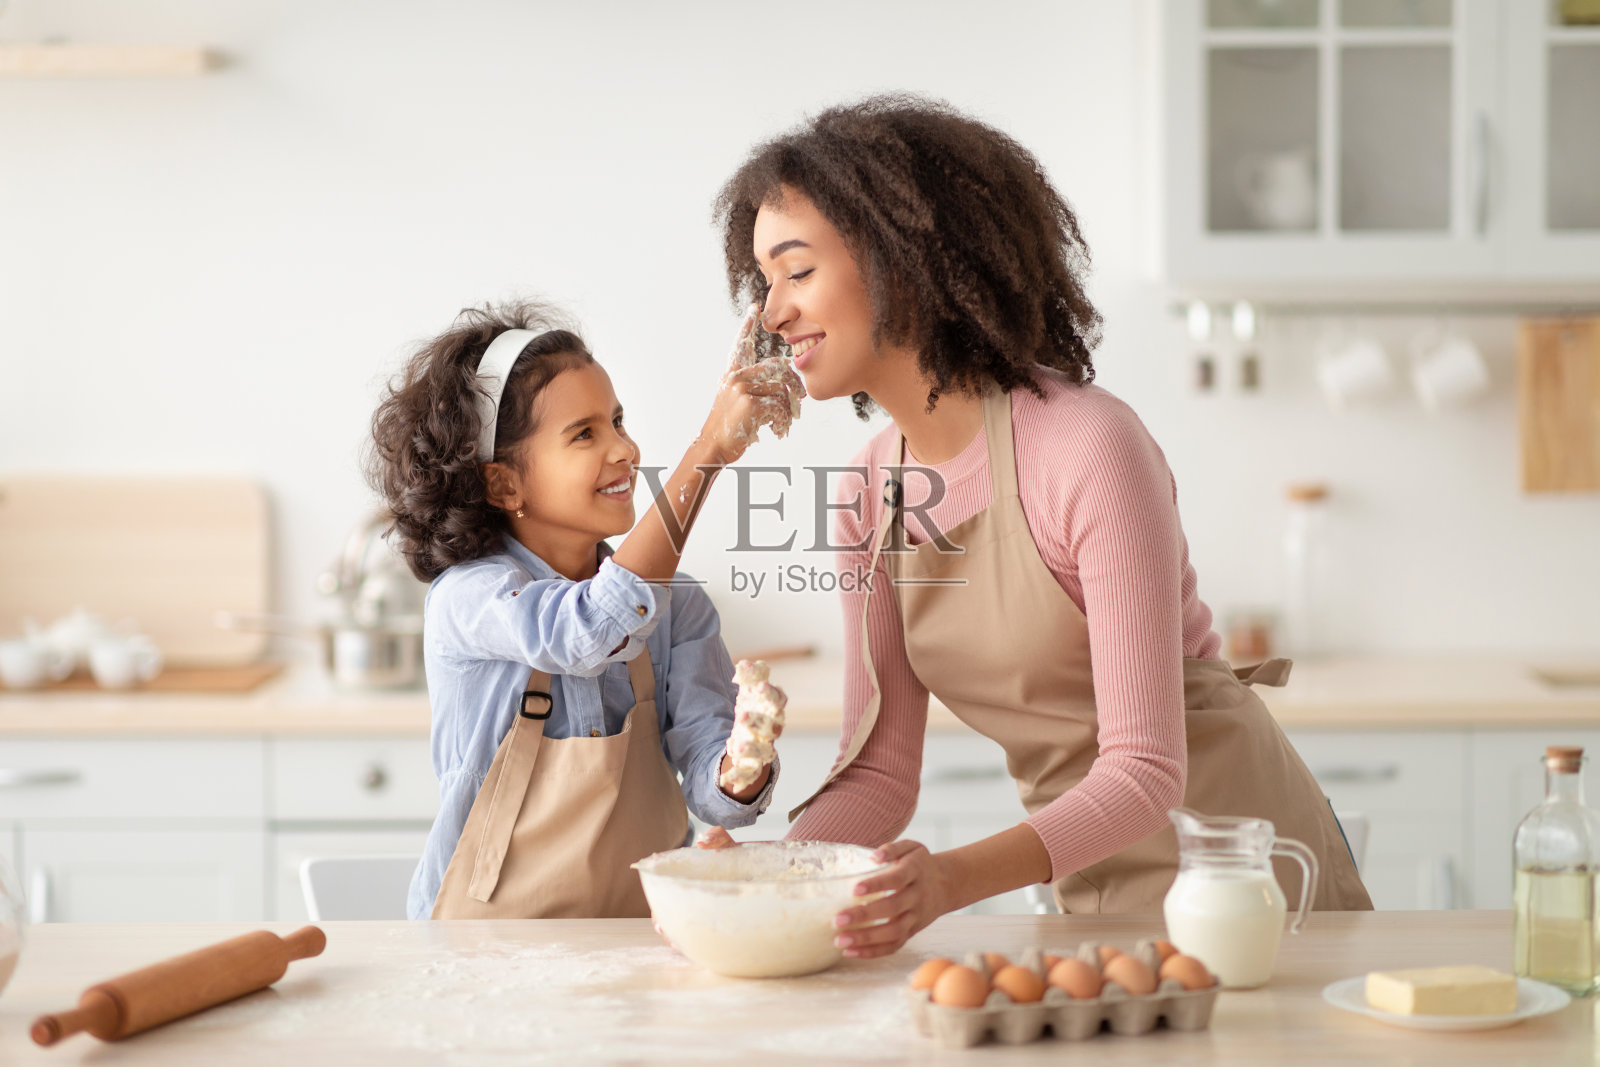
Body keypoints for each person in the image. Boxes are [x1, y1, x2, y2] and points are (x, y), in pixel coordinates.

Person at [708, 95, 1372, 957]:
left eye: (796, 272)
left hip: (1245, 879)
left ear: (900, 258)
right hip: (1090, 878)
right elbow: (877, 772)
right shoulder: (871, 491)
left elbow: (1143, 771)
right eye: (764, 282)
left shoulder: (1088, 445)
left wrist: (946, 880)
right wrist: (756, 880)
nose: (771, 312)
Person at [368, 298, 802, 919]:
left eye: (618, 421)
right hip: (484, 955)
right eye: (585, 434)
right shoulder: (470, 598)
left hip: (638, 945)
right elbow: (584, 633)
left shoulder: (678, 606)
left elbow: (713, 787)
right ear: (504, 485)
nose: (626, 449)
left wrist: (743, 763)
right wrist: (710, 448)